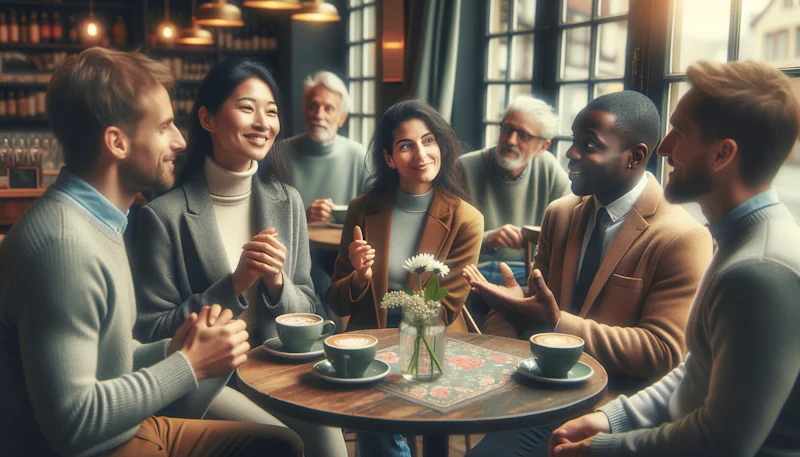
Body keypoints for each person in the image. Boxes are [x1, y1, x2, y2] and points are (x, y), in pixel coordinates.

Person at [0, 47, 302, 457]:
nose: (180, 140)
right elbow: (73, 425)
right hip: (96, 447)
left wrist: (175, 347)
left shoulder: (105, 222)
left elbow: (113, 359)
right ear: (117, 143)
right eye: (164, 127)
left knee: (280, 444)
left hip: (124, 429)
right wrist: (190, 364)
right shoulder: (64, 247)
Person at [547, 61, 800, 457]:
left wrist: (602, 449)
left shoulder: (759, 272)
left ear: (722, 154)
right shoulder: (740, 239)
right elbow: (697, 369)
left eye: (679, 134)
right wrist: (614, 419)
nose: (662, 149)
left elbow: (720, 443)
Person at [463, 91, 712, 457]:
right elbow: (526, 308)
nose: (571, 154)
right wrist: (504, 348)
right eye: (574, 141)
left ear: (636, 156)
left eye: (589, 145)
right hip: (536, 396)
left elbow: (664, 352)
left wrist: (556, 324)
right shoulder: (560, 213)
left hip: (609, 413)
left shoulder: (682, 237)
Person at [133, 59, 347, 457]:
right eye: (247, 108)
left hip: (277, 368)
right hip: (207, 378)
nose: (263, 123)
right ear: (208, 119)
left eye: (272, 111)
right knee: (281, 443)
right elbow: (150, 332)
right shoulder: (162, 217)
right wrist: (234, 284)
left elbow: (309, 305)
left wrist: (277, 283)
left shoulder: (287, 202)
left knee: (329, 441)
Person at [327, 99, 484, 456]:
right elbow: (335, 300)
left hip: (434, 344)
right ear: (388, 158)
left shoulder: (467, 219)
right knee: (374, 423)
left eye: (428, 141)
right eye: (405, 145)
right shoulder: (362, 209)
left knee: (388, 421)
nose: (421, 153)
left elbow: (442, 309)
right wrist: (358, 277)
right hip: (371, 345)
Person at [282, 70, 368, 322]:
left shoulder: (357, 155)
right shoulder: (280, 153)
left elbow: (373, 210)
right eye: (313, 106)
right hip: (297, 254)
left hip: (346, 252)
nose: (319, 115)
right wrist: (304, 213)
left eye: (328, 108)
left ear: (341, 118)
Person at [459, 95, 570, 287]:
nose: (511, 140)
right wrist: (487, 239)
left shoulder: (549, 169)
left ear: (543, 146)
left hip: (528, 274)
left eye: (524, 135)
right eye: (507, 129)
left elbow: (571, 227)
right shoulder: (464, 168)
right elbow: (446, 240)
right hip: (474, 272)